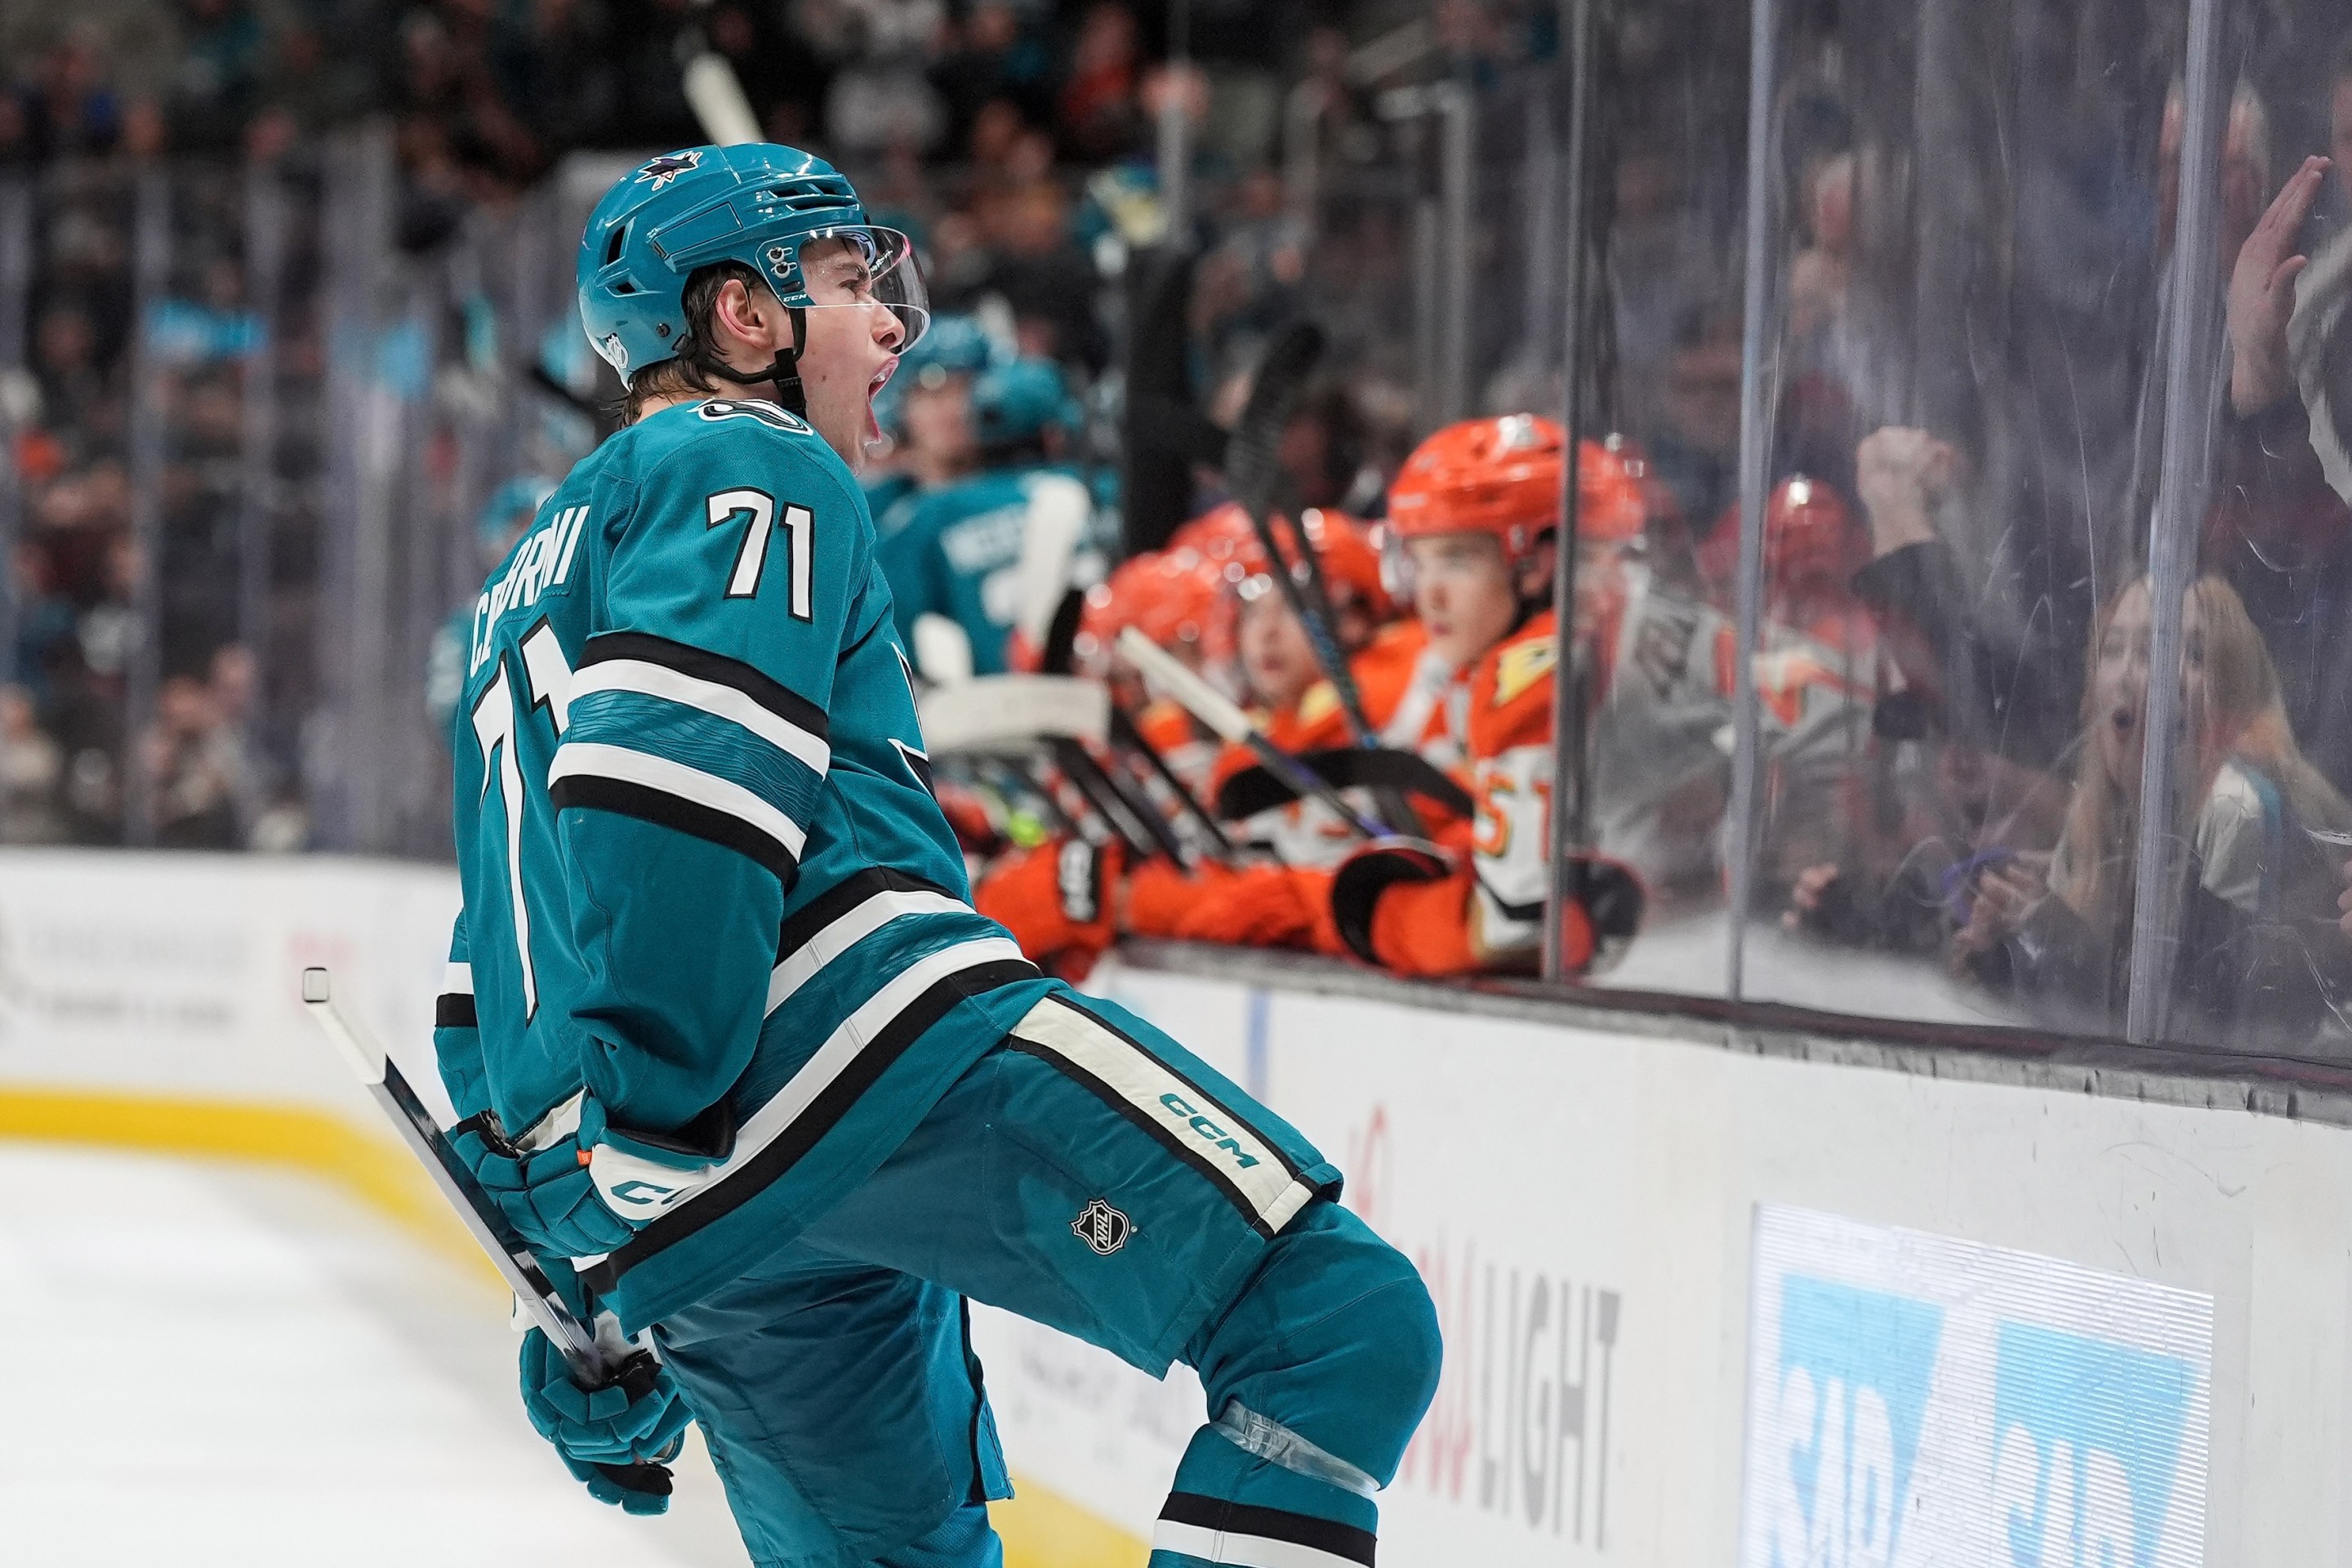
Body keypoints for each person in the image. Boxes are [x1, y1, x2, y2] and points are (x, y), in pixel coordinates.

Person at [432, 144, 1438, 1567]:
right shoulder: (746, 460)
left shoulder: (529, 564)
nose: (895, 322)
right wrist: (654, 1111)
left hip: (700, 1201)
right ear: (744, 318)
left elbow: (502, 935)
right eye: (848, 282)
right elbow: (681, 800)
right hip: (839, 1064)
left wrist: (586, 1259)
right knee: (1333, 1324)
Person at [1954, 574, 2352, 1046]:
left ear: (2228, 689)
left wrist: (2051, 929)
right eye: (2115, 649)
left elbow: (2201, 1016)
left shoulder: (2235, 806)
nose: (2132, 675)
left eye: (2190, 656)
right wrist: (1997, 947)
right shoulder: (2102, 810)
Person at [1317, 415, 1645, 978]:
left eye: (1458, 560)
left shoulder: (1530, 675)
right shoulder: (1621, 632)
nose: (1430, 594)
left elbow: (1513, 927)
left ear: (1539, 564)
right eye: (1419, 562)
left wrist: (1375, 914)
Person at [875, 355, 1094, 678]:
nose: (949, 412)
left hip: (984, 706)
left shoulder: (917, 518)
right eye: (932, 395)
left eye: (961, 391)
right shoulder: (1086, 489)